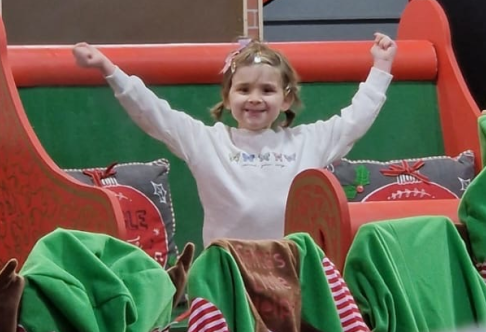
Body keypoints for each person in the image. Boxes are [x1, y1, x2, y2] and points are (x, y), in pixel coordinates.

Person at [72, 34, 396, 245]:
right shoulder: (206, 142)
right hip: (227, 273)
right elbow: (153, 113)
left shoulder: (307, 143)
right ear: (228, 97)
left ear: (285, 100)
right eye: (244, 89)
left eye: (267, 90)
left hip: (292, 272)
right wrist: (108, 69)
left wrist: (381, 67)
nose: (255, 98)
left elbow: (354, 121)